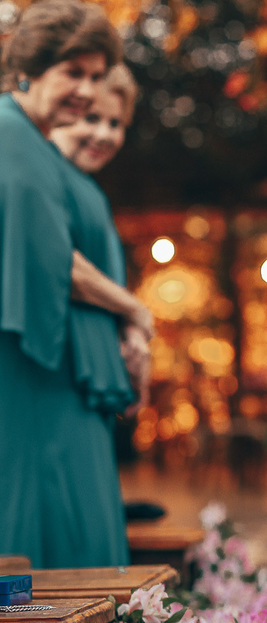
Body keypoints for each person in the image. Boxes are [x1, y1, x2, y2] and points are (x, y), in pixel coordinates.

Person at [0, 0, 141, 568]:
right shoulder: (12, 135)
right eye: (73, 74)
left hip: (50, 359)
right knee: (42, 516)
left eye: (95, 76)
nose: (86, 91)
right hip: (32, 359)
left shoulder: (28, 139)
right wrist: (138, 312)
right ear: (30, 68)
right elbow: (52, 259)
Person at [49, 63, 154, 417]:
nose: (104, 135)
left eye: (116, 124)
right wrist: (136, 311)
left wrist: (132, 332)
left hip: (93, 370)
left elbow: (107, 285)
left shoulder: (92, 192)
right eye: (91, 119)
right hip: (56, 367)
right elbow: (59, 263)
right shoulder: (46, 175)